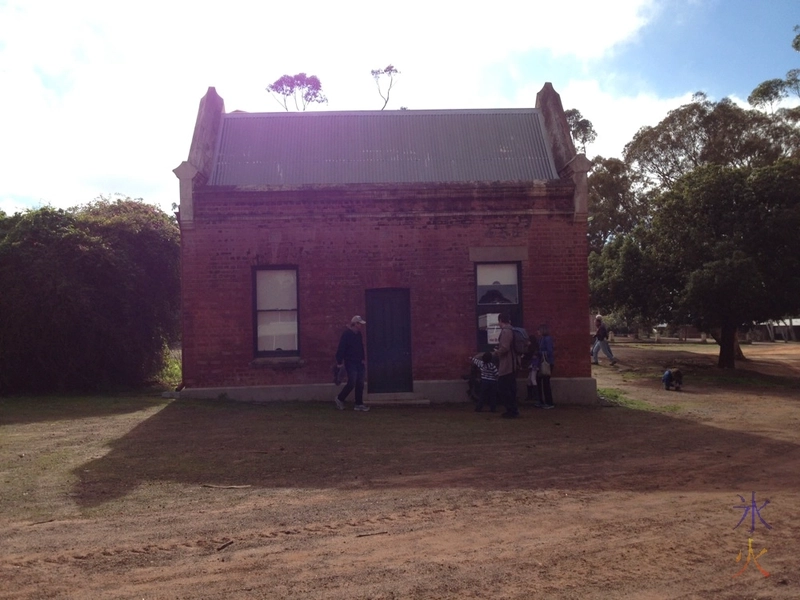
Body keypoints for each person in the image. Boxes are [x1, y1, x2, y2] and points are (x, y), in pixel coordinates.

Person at [334, 316, 369, 412]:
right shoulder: (346, 334)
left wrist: (362, 358)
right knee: (352, 382)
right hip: (350, 362)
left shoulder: (358, 334)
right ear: (355, 324)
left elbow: (360, 346)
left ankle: (358, 403)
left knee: (360, 382)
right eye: (359, 324)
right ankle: (340, 398)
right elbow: (341, 348)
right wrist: (339, 361)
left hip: (359, 362)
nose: (360, 326)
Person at [496, 312, 520, 418]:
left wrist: (497, 352)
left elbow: (505, 348)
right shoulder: (512, 330)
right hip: (513, 363)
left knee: (503, 387)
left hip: (507, 364)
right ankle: (513, 409)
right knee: (510, 387)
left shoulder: (506, 331)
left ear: (501, 320)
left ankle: (511, 410)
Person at [536, 324, 555, 409]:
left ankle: (549, 402)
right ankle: (542, 401)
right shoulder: (542, 339)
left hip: (547, 363)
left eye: (539, 330)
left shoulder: (547, 339)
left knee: (546, 383)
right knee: (540, 381)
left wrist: (539, 353)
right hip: (543, 362)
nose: (538, 332)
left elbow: (549, 351)